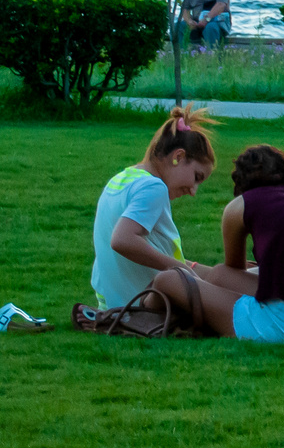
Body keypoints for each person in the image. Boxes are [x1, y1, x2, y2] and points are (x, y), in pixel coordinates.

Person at [148, 144, 284, 342]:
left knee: (168, 279)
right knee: (219, 275)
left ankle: (146, 310)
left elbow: (232, 271)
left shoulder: (241, 206)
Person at [90, 106, 218, 309]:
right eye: (196, 177)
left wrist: (192, 269)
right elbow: (122, 240)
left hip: (110, 305)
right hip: (141, 305)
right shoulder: (154, 188)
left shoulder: (123, 178)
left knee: (219, 275)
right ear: (178, 157)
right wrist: (177, 268)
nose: (193, 191)